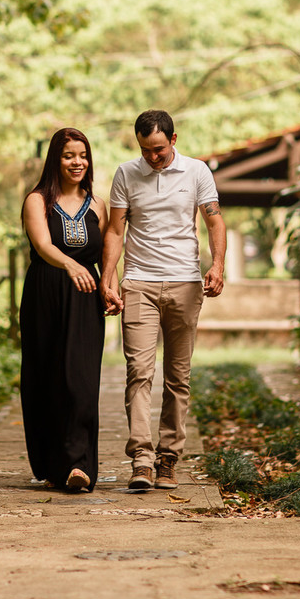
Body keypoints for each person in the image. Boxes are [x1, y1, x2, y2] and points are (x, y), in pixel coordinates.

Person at [100, 109, 226, 491]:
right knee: (139, 372)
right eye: (145, 150)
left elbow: (214, 220)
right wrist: (110, 278)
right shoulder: (126, 173)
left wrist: (217, 265)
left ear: (173, 139)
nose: (152, 158)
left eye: (158, 149)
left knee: (178, 377)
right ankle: (141, 460)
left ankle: (168, 458)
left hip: (186, 284)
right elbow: (116, 230)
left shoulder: (197, 171)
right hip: (138, 283)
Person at [19, 127, 108, 492]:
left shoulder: (98, 205)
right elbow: (42, 245)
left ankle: (79, 465)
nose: (77, 162)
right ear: (56, 159)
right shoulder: (37, 201)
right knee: (48, 377)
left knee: (81, 380)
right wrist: (71, 266)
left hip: (86, 298)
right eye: (69, 155)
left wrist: (109, 285)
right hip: (46, 293)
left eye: (83, 155)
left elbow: (106, 254)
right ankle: (54, 464)